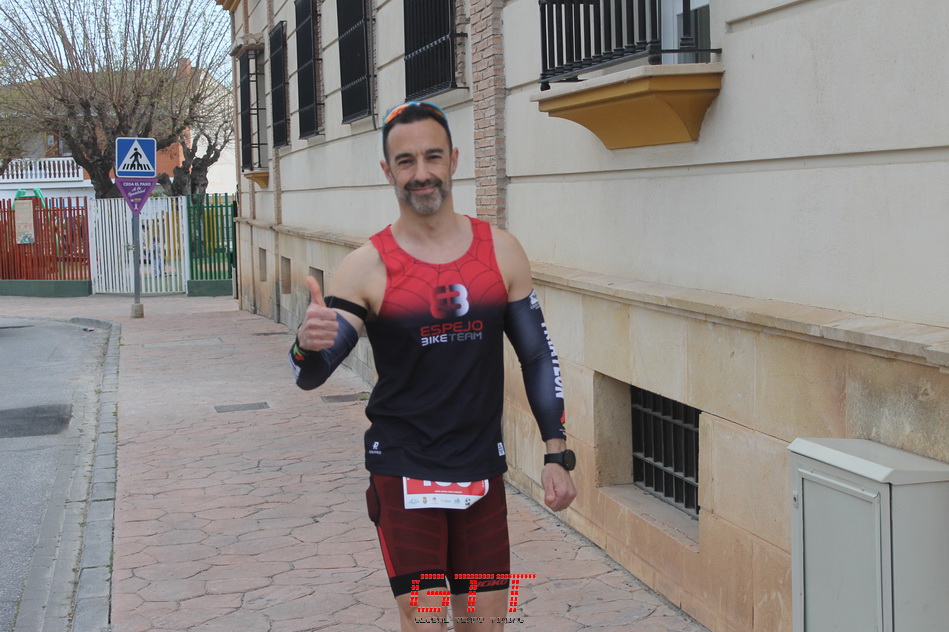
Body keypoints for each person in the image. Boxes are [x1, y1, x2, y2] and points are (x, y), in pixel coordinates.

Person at [290, 101, 576, 631]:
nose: (421, 173)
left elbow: (538, 355)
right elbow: (312, 373)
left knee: (486, 624)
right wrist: (306, 344)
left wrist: (557, 454)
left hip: (480, 469)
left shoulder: (502, 252)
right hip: (403, 468)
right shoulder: (366, 266)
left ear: (454, 160)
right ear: (388, 171)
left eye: (432, 156)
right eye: (405, 161)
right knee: (426, 622)